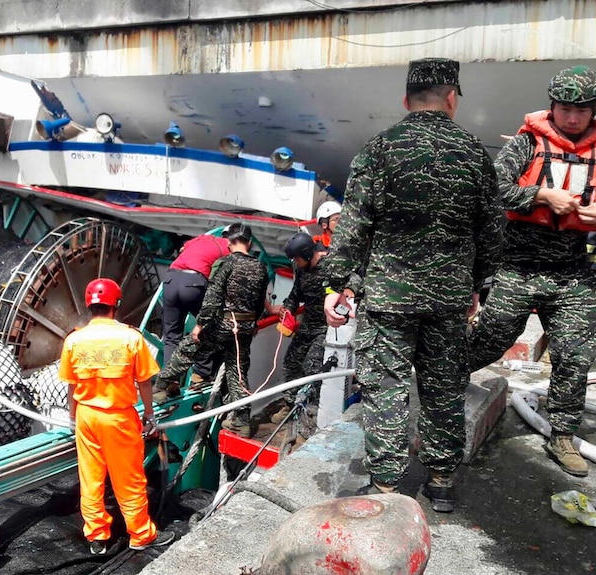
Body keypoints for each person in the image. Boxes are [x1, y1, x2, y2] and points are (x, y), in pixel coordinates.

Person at [323, 58, 501, 512]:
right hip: (448, 299)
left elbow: (354, 226)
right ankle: (441, 482)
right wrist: (478, 285)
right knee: (444, 386)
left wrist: (336, 285)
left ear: (406, 100)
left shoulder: (379, 149)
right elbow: (493, 231)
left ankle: (385, 485)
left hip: (388, 297)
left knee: (386, 387)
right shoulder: (476, 155)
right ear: (451, 98)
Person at [468, 65, 596, 478]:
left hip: (571, 271)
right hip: (519, 265)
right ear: (552, 107)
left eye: (582, 110)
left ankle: (562, 434)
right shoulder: (528, 143)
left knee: (576, 353)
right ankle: (443, 380)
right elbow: (493, 188)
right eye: (565, 109)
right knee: (492, 338)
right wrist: (542, 194)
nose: (573, 118)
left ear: (595, 109)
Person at [59, 278, 175, 555]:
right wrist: (149, 414)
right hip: (118, 417)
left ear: (90, 306)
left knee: (91, 477)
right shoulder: (131, 338)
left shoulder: (74, 340)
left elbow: (71, 385)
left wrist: (73, 417)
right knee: (129, 478)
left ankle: (97, 537)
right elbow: (145, 382)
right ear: (117, 305)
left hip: (86, 416)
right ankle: (140, 534)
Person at [153, 222, 271, 438]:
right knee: (238, 372)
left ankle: (161, 386)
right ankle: (242, 421)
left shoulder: (225, 263)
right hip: (243, 328)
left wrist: (200, 325)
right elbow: (259, 302)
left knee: (188, 348)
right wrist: (253, 324)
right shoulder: (261, 268)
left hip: (224, 323)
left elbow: (213, 297)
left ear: (229, 241)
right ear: (250, 243)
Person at [265, 233, 333, 424]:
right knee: (290, 363)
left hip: (326, 329)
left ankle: (309, 414)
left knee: (311, 367)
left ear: (307, 253)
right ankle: (289, 405)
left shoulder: (331, 267)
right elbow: (296, 294)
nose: (294, 262)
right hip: (308, 325)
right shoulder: (302, 270)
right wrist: (288, 309)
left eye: (296, 258)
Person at [161, 232, 230, 385]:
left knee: (171, 336)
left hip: (171, 279)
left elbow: (181, 250)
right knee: (208, 327)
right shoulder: (228, 245)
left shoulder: (200, 239)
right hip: (193, 282)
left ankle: (170, 380)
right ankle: (200, 375)